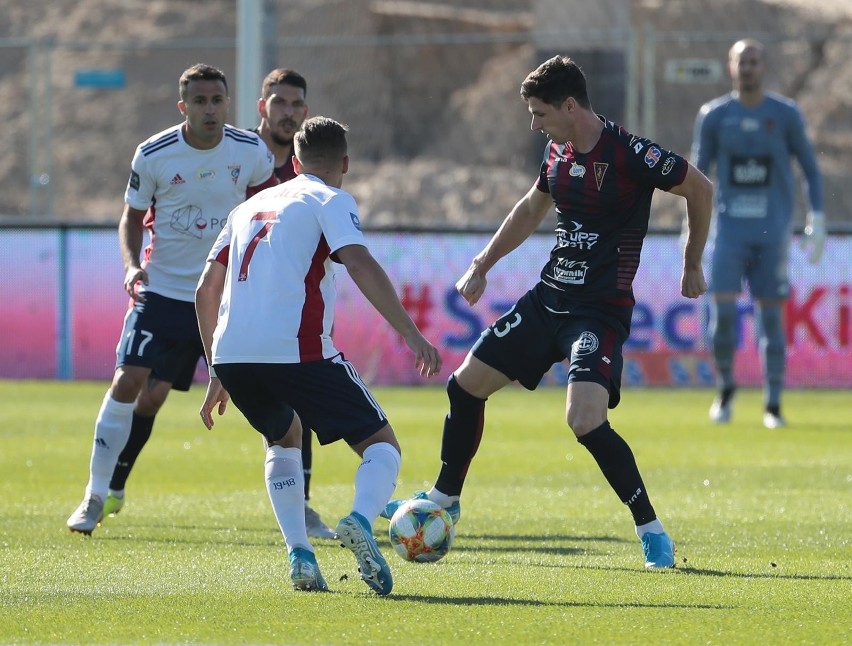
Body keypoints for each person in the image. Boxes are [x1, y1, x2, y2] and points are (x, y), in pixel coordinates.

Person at [383, 55, 713, 569]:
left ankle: (650, 529)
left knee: (584, 420)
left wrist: (691, 263)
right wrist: (481, 264)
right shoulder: (557, 151)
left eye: (539, 113)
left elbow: (701, 188)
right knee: (464, 384)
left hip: (598, 313)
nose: (533, 124)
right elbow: (530, 209)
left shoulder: (630, 154)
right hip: (547, 300)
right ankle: (447, 497)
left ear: (570, 105)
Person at [195, 116, 442, 594]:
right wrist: (411, 334)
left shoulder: (248, 206)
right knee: (381, 445)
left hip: (231, 353)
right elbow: (360, 262)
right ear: (344, 164)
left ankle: (300, 554)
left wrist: (214, 367)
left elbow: (206, 289)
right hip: (297, 349)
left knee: (283, 436)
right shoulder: (330, 198)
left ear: (292, 160)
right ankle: (360, 520)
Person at [66, 63, 277, 535]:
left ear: (227, 103)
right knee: (128, 381)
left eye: (216, 100)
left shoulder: (250, 151)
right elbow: (130, 217)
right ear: (183, 107)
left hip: (219, 297)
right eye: (199, 101)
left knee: (157, 396)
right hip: (160, 291)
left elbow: (269, 207)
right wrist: (131, 265)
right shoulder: (154, 153)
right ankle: (94, 495)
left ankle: (295, 504)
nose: (209, 109)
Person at [691, 39, 825, 429]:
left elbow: (811, 169)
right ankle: (727, 390)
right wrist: (691, 225)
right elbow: (697, 176)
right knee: (724, 316)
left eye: (754, 61)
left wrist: (816, 217)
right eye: (741, 62)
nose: (747, 68)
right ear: (730, 66)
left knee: (771, 319)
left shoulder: (785, 114)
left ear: (764, 66)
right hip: (729, 230)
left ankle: (773, 403)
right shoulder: (714, 116)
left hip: (772, 231)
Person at [251, 67, 336, 540]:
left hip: (280, 307)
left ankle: (299, 508)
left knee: (292, 408)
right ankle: (103, 489)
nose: (287, 111)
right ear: (262, 107)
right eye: (278, 102)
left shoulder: (306, 174)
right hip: (216, 292)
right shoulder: (240, 160)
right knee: (144, 388)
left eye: (295, 105)